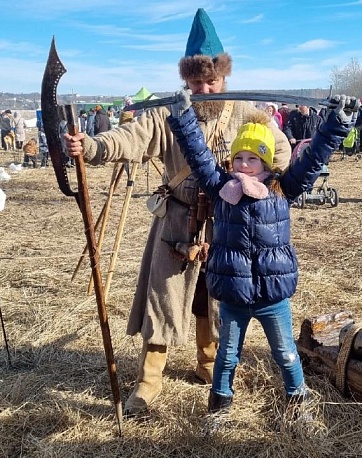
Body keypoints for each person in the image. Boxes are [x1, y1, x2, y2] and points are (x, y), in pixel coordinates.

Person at [63, 8, 291, 416]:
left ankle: (208, 364)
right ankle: (149, 381)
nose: (204, 89)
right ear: (185, 80)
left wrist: (257, 177)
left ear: (224, 78)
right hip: (177, 219)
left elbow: (282, 150)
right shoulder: (169, 112)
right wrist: (92, 147)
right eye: (196, 81)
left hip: (227, 225)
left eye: (211, 80)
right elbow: (129, 137)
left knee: (213, 298)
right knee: (163, 298)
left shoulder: (245, 113)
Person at [165, 90, 355, 420]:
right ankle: (219, 408)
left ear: (266, 162)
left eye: (252, 159)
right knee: (226, 354)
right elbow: (198, 155)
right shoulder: (221, 188)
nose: (243, 164)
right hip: (234, 295)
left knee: (284, 351)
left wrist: (339, 122)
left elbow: (313, 159)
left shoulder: (283, 189)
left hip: (272, 295)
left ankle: (299, 402)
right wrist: (183, 117)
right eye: (239, 157)